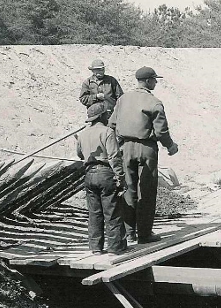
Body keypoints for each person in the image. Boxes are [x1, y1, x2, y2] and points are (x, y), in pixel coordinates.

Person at [109, 66, 179, 243]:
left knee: (128, 189)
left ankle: (129, 232)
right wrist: (171, 146)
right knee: (146, 191)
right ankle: (145, 234)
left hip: (125, 147)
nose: (156, 82)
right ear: (148, 81)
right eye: (154, 80)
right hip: (147, 148)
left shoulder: (123, 99)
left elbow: (112, 124)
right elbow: (161, 131)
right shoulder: (154, 102)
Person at [76, 102, 127, 254]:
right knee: (112, 211)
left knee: (94, 213)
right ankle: (115, 247)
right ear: (102, 116)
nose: (108, 117)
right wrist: (120, 177)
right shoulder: (107, 132)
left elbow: (79, 154)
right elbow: (114, 157)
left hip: (89, 173)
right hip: (105, 173)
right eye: (107, 114)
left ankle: (96, 247)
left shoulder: (83, 134)